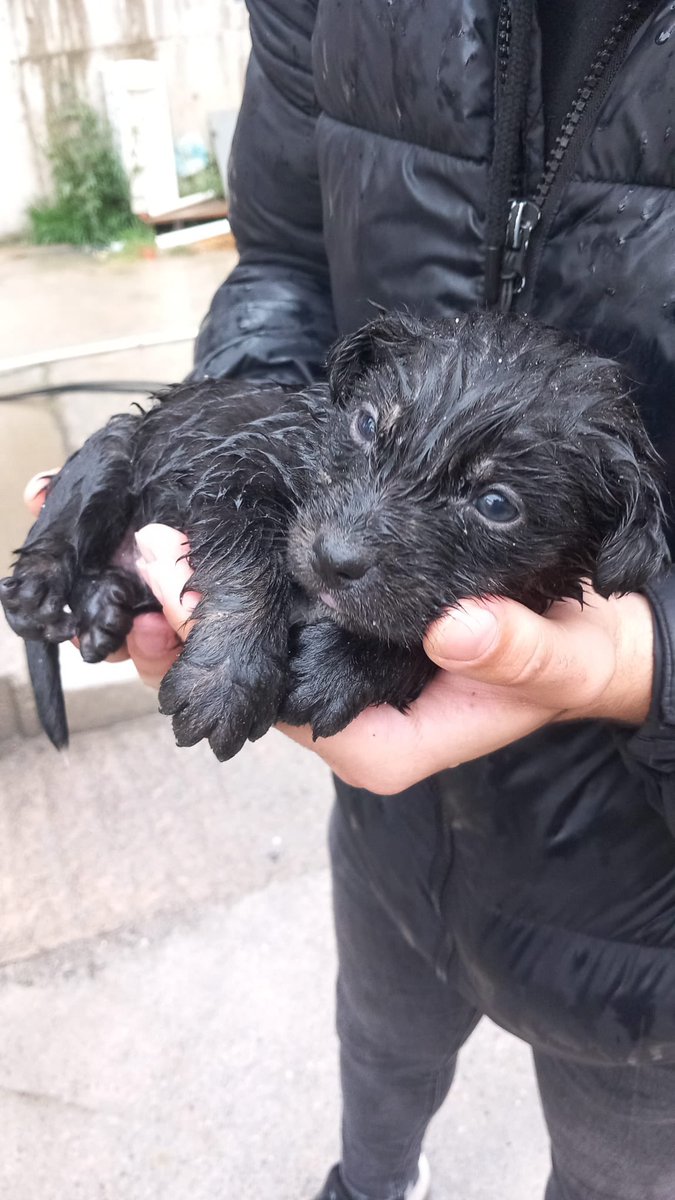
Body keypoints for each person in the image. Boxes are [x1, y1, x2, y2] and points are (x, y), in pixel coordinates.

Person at [26, 2, 675, 1197]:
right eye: (374, 423)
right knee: (378, 1057)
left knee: (622, 1156)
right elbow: (281, 258)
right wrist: (222, 481)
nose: (342, 545)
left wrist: (643, 661)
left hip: (643, 885)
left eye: (490, 509)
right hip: (388, 844)